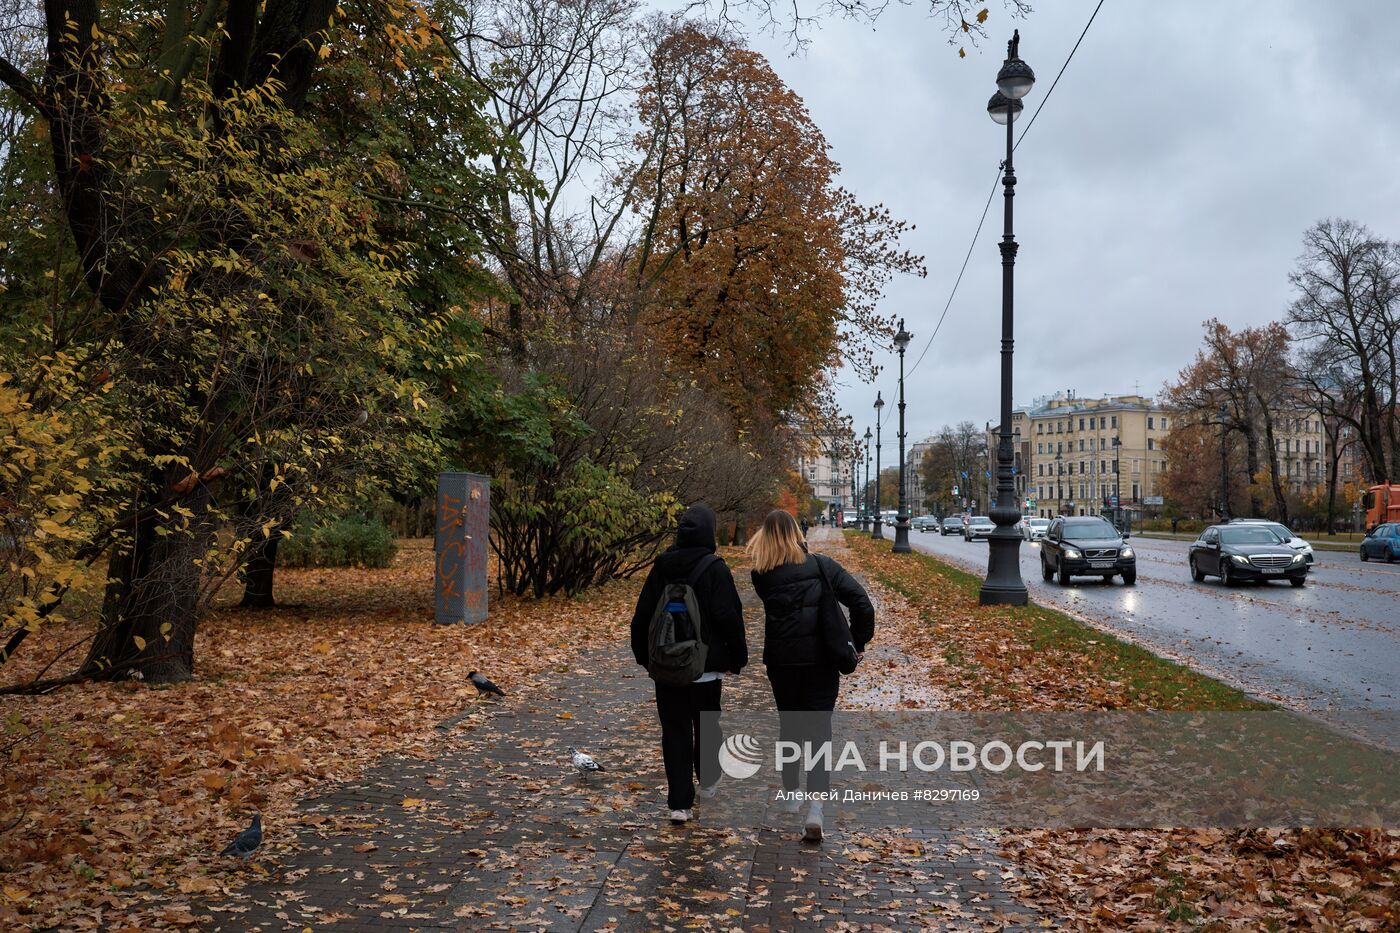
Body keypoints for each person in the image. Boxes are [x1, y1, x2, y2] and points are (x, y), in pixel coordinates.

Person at [748, 509, 874, 843]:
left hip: (782, 663)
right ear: (797, 533)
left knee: (789, 725)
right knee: (819, 731)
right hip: (821, 662)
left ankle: (791, 791)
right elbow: (862, 603)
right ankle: (816, 809)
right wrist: (857, 641)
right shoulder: (823, 567)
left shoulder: (761, 575)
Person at [631, 505, 748, 826]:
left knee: (675, 730)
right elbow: (729, 617)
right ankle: (708, 779)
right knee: (707, 724)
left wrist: (644, 656)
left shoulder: (662, 566)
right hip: (706, 668)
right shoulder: (715, 569)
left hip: (667, 667)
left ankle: (679, 804)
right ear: (710, 533)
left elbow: (642, 616)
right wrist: (738, 658)